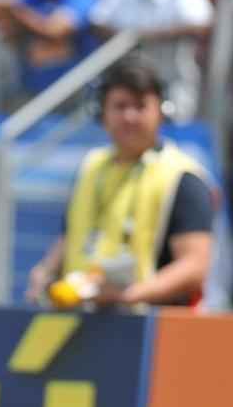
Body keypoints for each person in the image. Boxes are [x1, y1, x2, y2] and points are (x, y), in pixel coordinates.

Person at [26, 58, 213, 309]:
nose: (129, 116)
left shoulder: (183, 176)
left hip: (150, 329)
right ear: (102, 112)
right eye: (120, 106)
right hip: (80, 320)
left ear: (161, 112)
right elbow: (71, 235)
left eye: (140, 106)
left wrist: (128, 295)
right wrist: (46, 270)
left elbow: (194, 266)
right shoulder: (91, 166)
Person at [89, 0, 213, 122]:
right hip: (131, 78)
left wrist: (149, 37)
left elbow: (202, 25)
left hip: (174, 79)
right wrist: (127, 38)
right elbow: (97, 21)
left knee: (176, 127)